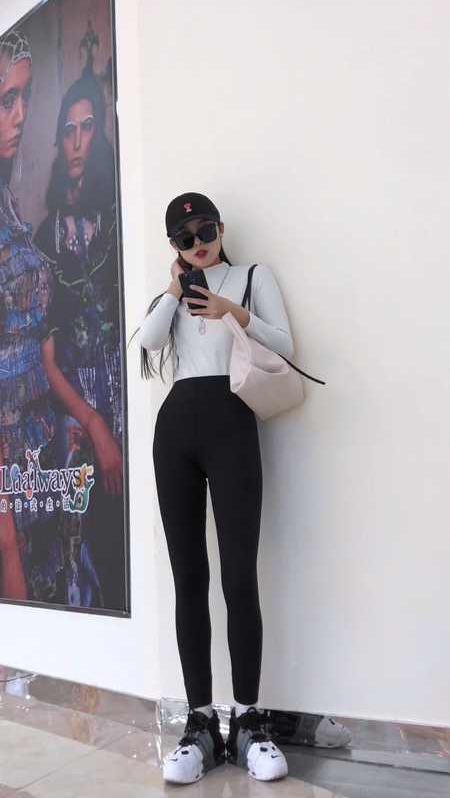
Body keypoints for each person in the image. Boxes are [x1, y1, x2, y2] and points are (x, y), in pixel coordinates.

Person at [137, 192, 293, 784]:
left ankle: (249, 720)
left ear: (221, 228)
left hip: (232, 426)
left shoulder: (253, 277)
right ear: (174, 246)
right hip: (176, 432)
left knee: (239, 575)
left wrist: (231, 311)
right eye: (185, 237)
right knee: (188, 578)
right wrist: (174, 289)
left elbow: (285, 343)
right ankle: (200, 723)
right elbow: (150, 342)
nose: (198, 242)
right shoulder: (175, 293)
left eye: (206, 230)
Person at [34, 69, 126, 611]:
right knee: (82, 562)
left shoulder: (117, 220)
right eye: (67, 130)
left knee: (127, 547)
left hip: (126, 403)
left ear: (100, 135)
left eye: (87, 127)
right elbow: (47, 361)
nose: (76, 141)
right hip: (75, 416)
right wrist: (93, 424)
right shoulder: (46, 237)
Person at [0, 29, 63, 603]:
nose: (20, 115)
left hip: (35, 447)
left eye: (26, 96)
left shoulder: (11, 202)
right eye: (6, 100)